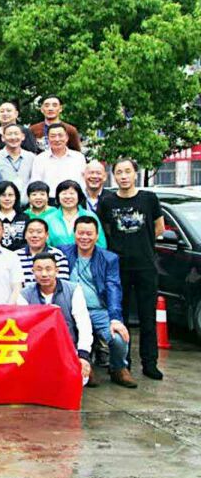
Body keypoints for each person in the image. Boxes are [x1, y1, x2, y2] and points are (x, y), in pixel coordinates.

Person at [97, 158, 165, 380]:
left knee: (147, 317)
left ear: (135, 174)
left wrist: (141, 243)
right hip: (119, 267)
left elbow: (159, 227)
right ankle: (123, 363)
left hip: (146, 265)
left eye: (128, 171)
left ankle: (150, 363)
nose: (124, 176)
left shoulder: (149, 199)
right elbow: (105, 230)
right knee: (120, 317)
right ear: (113, 176)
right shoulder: (107, 201)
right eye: (119, 172)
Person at [61, 216, 137, 388]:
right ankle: (84, 367)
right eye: (80, 233)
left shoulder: (109, 258)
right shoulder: (63, 253)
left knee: (119, 338)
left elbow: (113, 287)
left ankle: (118, 368)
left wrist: (115, 318)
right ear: (74, 234)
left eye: (89, 234)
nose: (84, 237)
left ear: (97, 236)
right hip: (72, 312)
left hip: (98, 310)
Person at [20, 252, 93, 385]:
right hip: (36, 350)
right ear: (32, 272)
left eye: (48, 269)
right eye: (39, 270)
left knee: (78, 379)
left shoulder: (73, 290)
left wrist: (83, 355)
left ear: (57, 270)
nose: (44, 274)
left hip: (67, 348)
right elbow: (23, 327)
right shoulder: (25, 294)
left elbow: (84, 324)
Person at [30, 124, 86, 194]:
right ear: (48, 139)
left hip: (72, 197)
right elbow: (36, 182)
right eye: (53, 136)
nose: (57, 139)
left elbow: (83, 182)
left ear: (67, 138)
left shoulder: (78, 157)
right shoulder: (40, 159)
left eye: (60, 135)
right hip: (49, 198)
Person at [50, 180, 106, 249]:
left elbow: (101, 244)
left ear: (79, 196)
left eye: (72, 193)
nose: (68, 196)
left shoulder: (90, 216)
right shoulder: (49, 219)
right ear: (58, 196)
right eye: (64, 193)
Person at [17, 218, 70, 285]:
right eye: (31, 232)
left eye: (39, 232)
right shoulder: (15, 256)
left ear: (47, 235)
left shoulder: (58, 255)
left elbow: (62, 283)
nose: (34, 235)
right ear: (25, 235)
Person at [0, 123, 35, 195]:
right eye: (9, 134)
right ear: (3, 138)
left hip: (27, 200)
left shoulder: (31, 157)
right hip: (4, 199)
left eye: (16, 134)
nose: (13, 137)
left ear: (23, 137)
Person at [0, 181, 28, 251]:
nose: (7, 199)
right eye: (3, 195)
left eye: (10, 195)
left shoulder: (24, 218)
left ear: (16, 197)